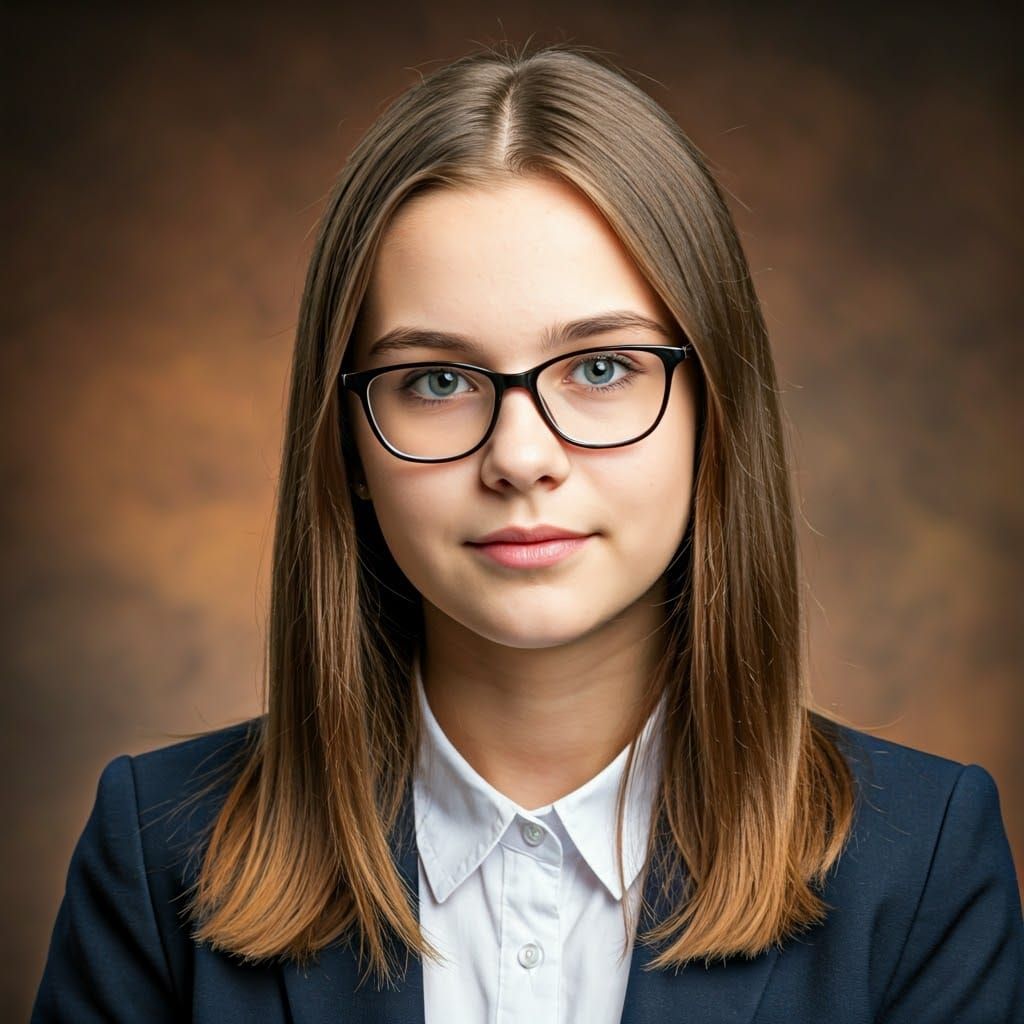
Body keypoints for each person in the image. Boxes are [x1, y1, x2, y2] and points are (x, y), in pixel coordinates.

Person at [31, 39, 1023, 1024]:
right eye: (436, 380)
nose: (519, 456)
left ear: (711, 415)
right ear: (346, 448)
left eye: (599, 368)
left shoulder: (923, 860)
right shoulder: (158, 851)